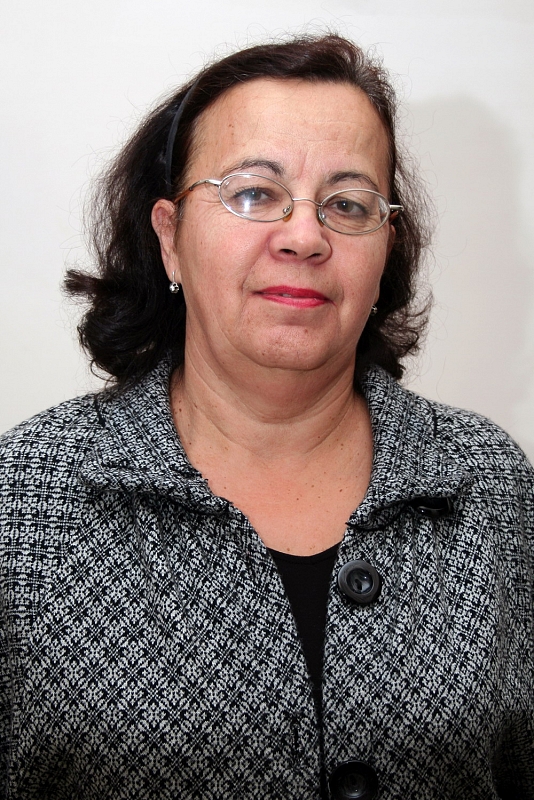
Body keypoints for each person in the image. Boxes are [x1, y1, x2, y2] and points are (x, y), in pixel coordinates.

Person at [0, 33, 532, 800]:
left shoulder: (492, 482)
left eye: (348, 204)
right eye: (253, 193)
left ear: (386, 248)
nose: (305, 237)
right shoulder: (24, 492)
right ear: (171, 238)